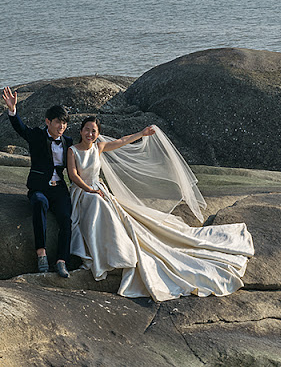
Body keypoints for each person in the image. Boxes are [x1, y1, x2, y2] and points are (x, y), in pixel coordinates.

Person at [67, 116, 254, 302]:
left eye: (94, 131)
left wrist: (142, 133)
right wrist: (89, 189)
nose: (90, 134)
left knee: (113, 211)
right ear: (81, 130)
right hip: (83, 192)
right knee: (100, 205)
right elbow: (73, 175)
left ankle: (118, 253)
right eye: (87, 129)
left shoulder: (98, 147)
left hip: (98, 190)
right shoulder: (73, 150)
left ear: (98, 134)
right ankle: (103, 256)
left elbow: (121, 141)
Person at [3, 86, 72, 278]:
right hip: (39, 187)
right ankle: (41, 254)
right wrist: (12, 110)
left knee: (66, 217)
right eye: (58, 122)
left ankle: (61, 261)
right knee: (40, 203)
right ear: (48, 122)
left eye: (64, 123)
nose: (61, 127)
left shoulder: (68, 141)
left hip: (59, 189)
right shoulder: (37, 136)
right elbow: (21, 128)